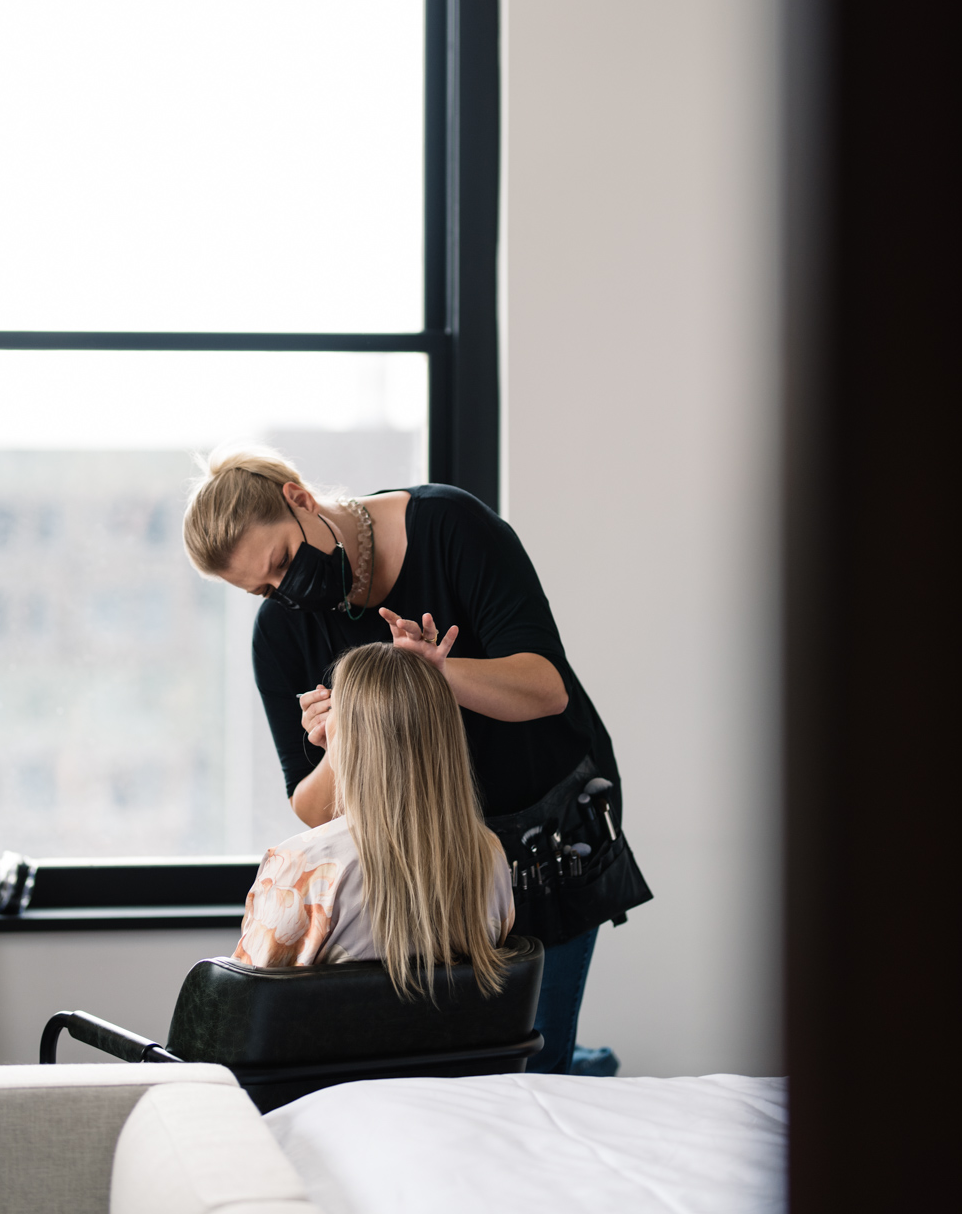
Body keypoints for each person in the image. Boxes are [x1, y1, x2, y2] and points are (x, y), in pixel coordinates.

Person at [184, 447, 651, 1073]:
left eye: (283, 564)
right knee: (450, 1060)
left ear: (299, 499)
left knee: (532, 1058)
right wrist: (342, 744)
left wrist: (436, 674)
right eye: (263, 588)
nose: (284, 593)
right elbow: (311, 805)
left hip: (547, 827)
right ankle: (584, 1063)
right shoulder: (279, 633)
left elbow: (546, 687)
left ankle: (575, 1063)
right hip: (434, 857)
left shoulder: (449, 527)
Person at [233, 641, 513, 998]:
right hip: (448, 1054)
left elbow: (241, 1012)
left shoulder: (301, 868)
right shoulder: (488, 855)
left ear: (347, 737)